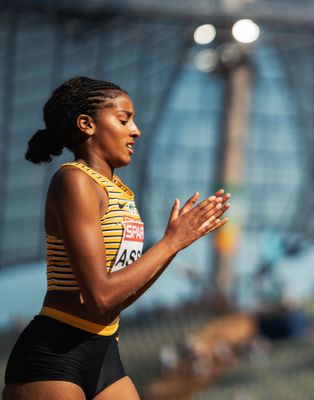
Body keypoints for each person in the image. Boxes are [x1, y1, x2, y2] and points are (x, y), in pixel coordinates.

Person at [2, 76, 230, 400]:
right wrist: (168, 244)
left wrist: (175, 246)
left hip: (106, 349)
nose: (135, 130)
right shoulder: (74, 181)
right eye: (124, 119)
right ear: (87, 124)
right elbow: (99, 297)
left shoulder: (121, 192)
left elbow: (120, 293)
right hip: (56, 354)